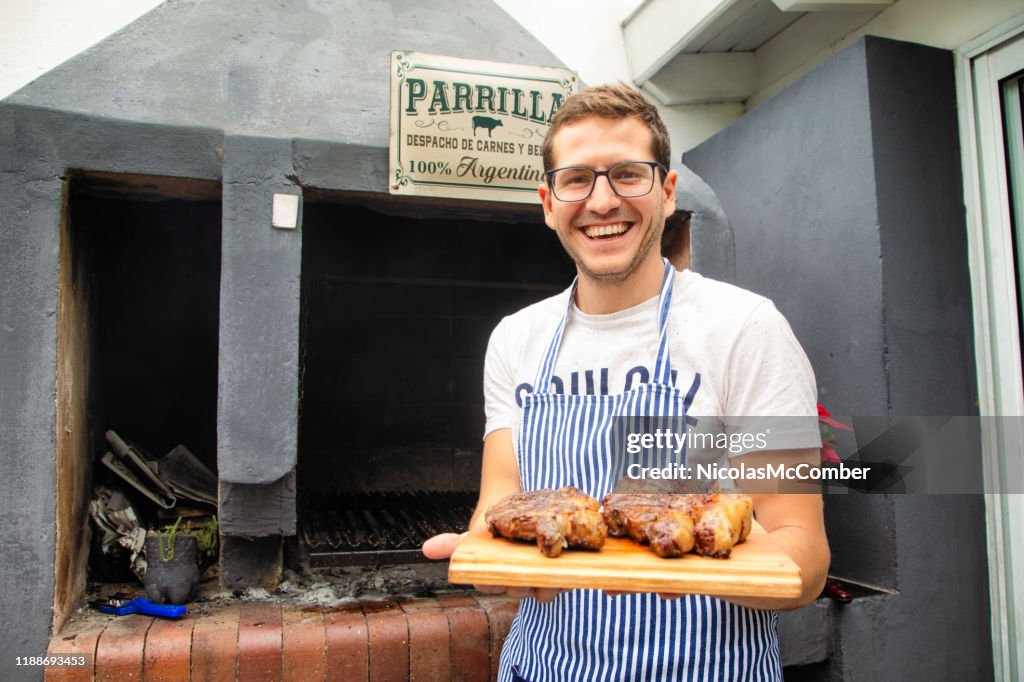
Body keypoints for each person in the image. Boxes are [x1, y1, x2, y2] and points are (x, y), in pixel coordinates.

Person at [423, 83, 829, 681]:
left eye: (628, 175)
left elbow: (806, 556)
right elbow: (498, 510)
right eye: (576, 180)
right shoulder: (516, 339)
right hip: (544, 669)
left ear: (667, 192)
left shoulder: (745, 328)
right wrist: (488, 560)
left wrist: (690, 564)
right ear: (548, 202)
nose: (602, 200)